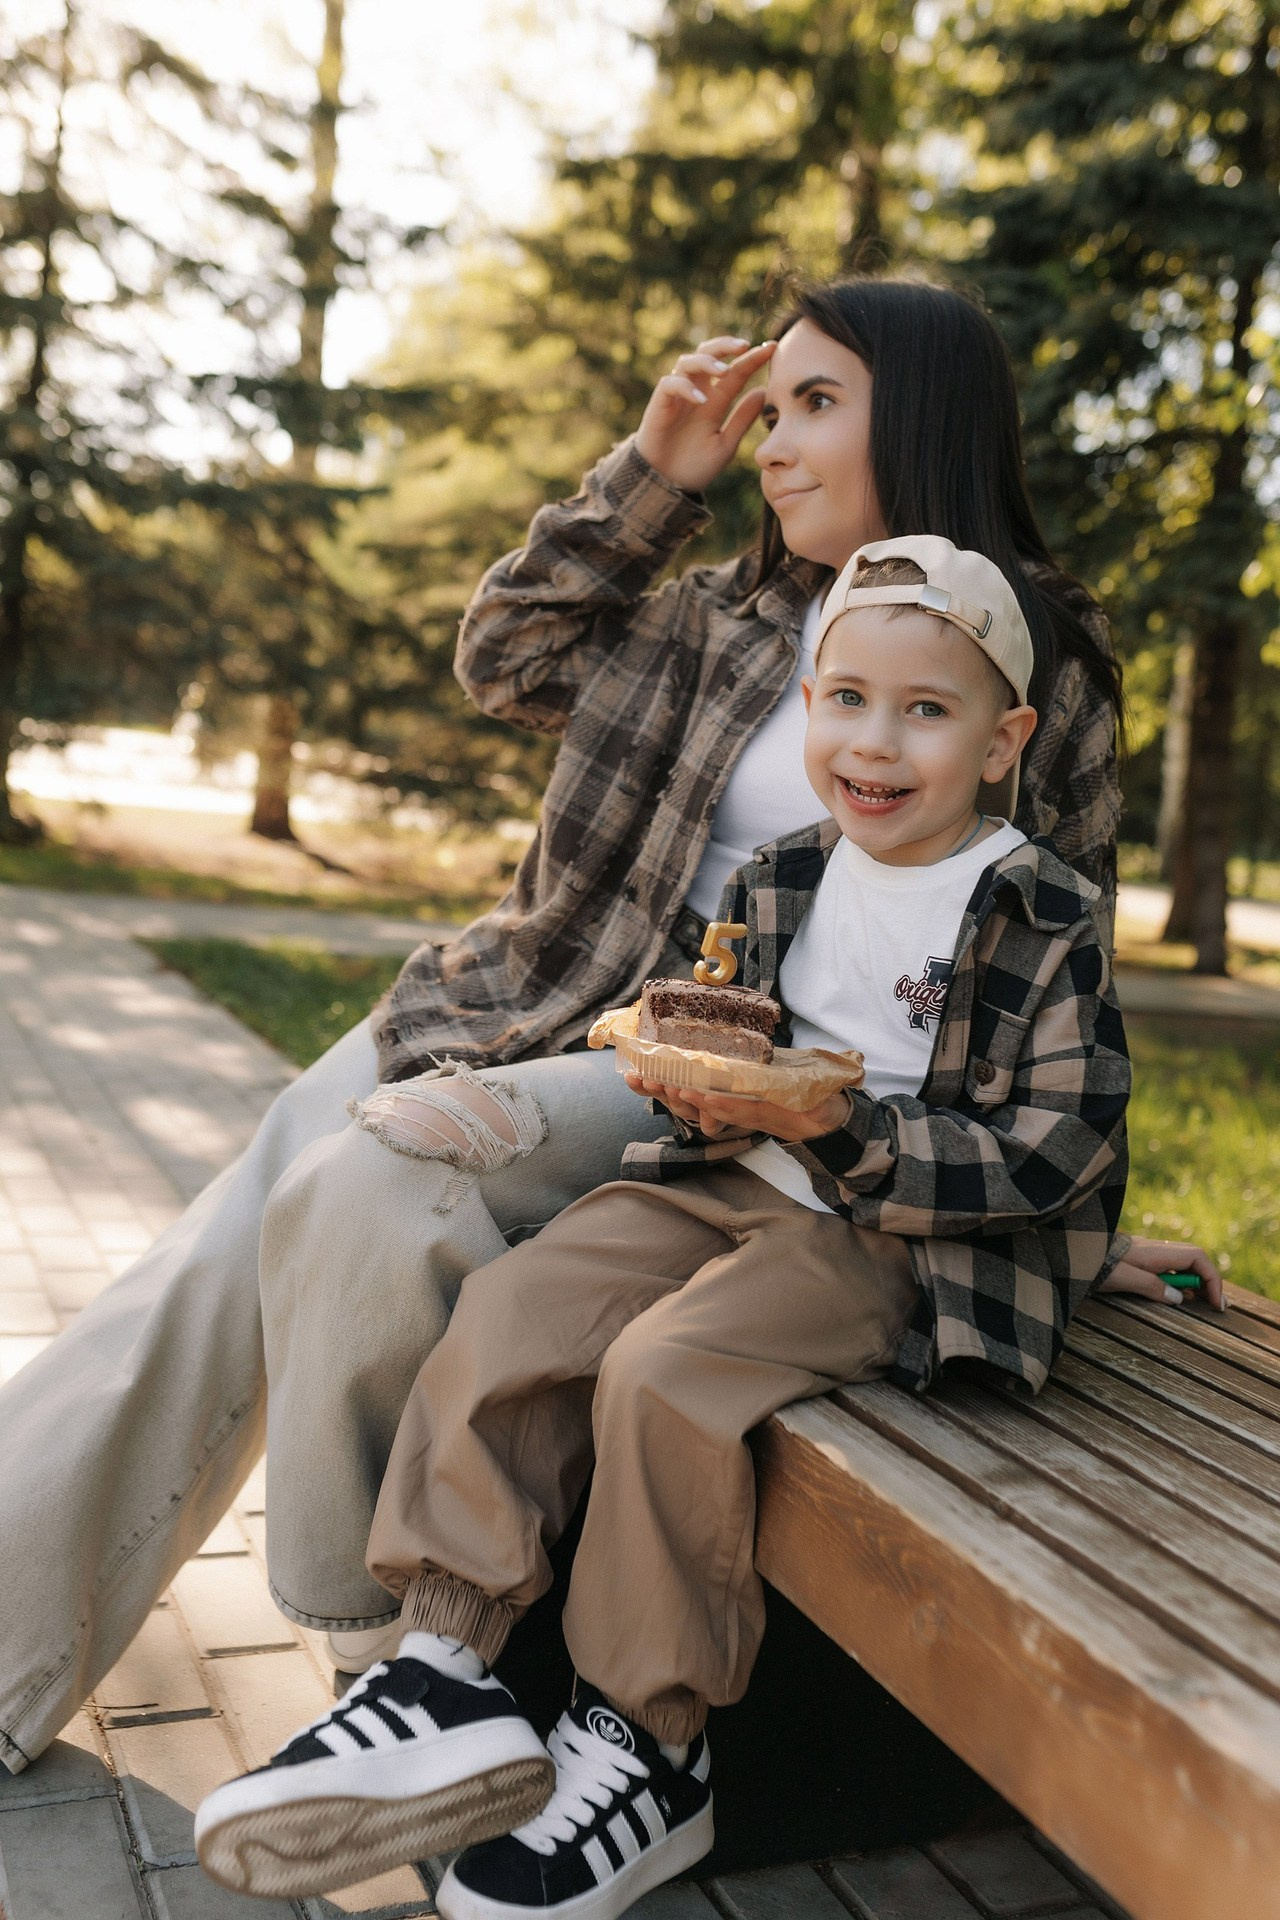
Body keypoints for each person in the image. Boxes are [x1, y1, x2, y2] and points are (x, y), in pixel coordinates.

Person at [0, 275, 1219, 1780]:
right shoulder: (718, 612)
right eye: (769, 410)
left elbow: (1059, 973)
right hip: (513, 1004)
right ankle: (42, 1653)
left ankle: (389, 1670)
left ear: (928, 415)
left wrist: (1079, 1221)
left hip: (702, 1078)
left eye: (816, 404)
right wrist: (653, 475)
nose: (773, 442)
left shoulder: (1035, 658)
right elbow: (504, 657)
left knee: (369, 1190)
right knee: (247, 1210)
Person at [192, 537, 1132, 1916]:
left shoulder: (1041, 909)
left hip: (898, 1244)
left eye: (927, 711)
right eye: (847, 699)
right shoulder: (785, 878)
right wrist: (691, 1093)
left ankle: (652, 1745)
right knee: (518, 1307)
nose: (877, 742)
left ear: (1006, 741)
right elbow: (725, 1048)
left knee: (661, 1376)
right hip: (734, 1183)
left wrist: (849, 1134)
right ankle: (445, 1666)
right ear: (808, 707)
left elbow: (1061, 1145)